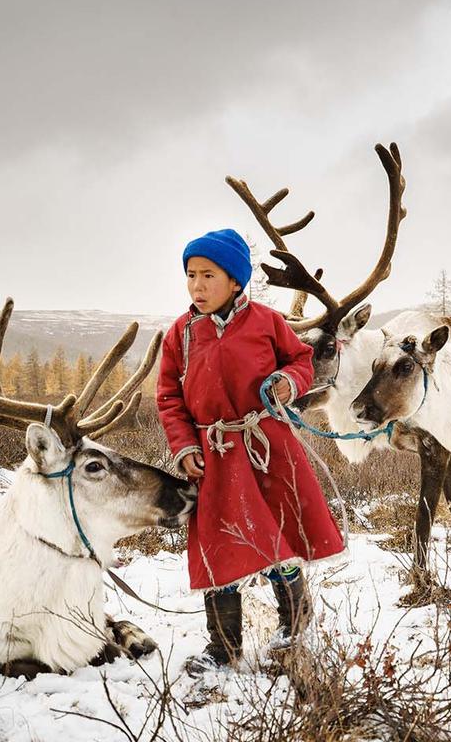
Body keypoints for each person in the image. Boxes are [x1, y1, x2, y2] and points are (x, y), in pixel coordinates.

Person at [156, 228, 345, 676]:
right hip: (214, 455)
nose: (197, 286)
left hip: (266, 446)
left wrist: (287, 383)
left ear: (236, 281)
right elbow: (168, 396)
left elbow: (301, 360)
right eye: (190, 275)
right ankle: (223, 647)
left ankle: (295, 626)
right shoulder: (180, 334)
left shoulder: (266, 321)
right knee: (217, 545)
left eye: (208, 275)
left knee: (279, 536)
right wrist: (183, 446)